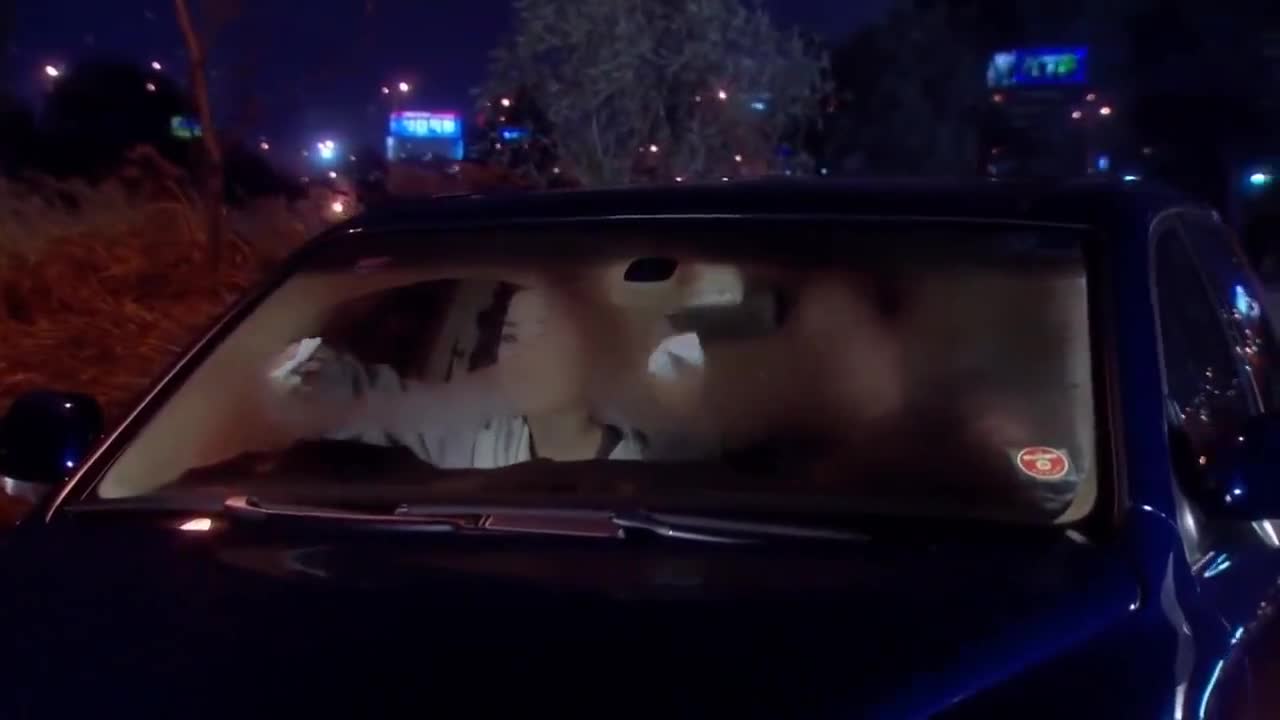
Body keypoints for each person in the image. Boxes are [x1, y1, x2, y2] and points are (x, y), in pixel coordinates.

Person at [265, 284, 688, 469]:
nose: (520, 355)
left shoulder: (647, 468)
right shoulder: (480, 440)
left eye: (546, 335)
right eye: (510, 336)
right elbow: (387, 409)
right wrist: (313, 376)